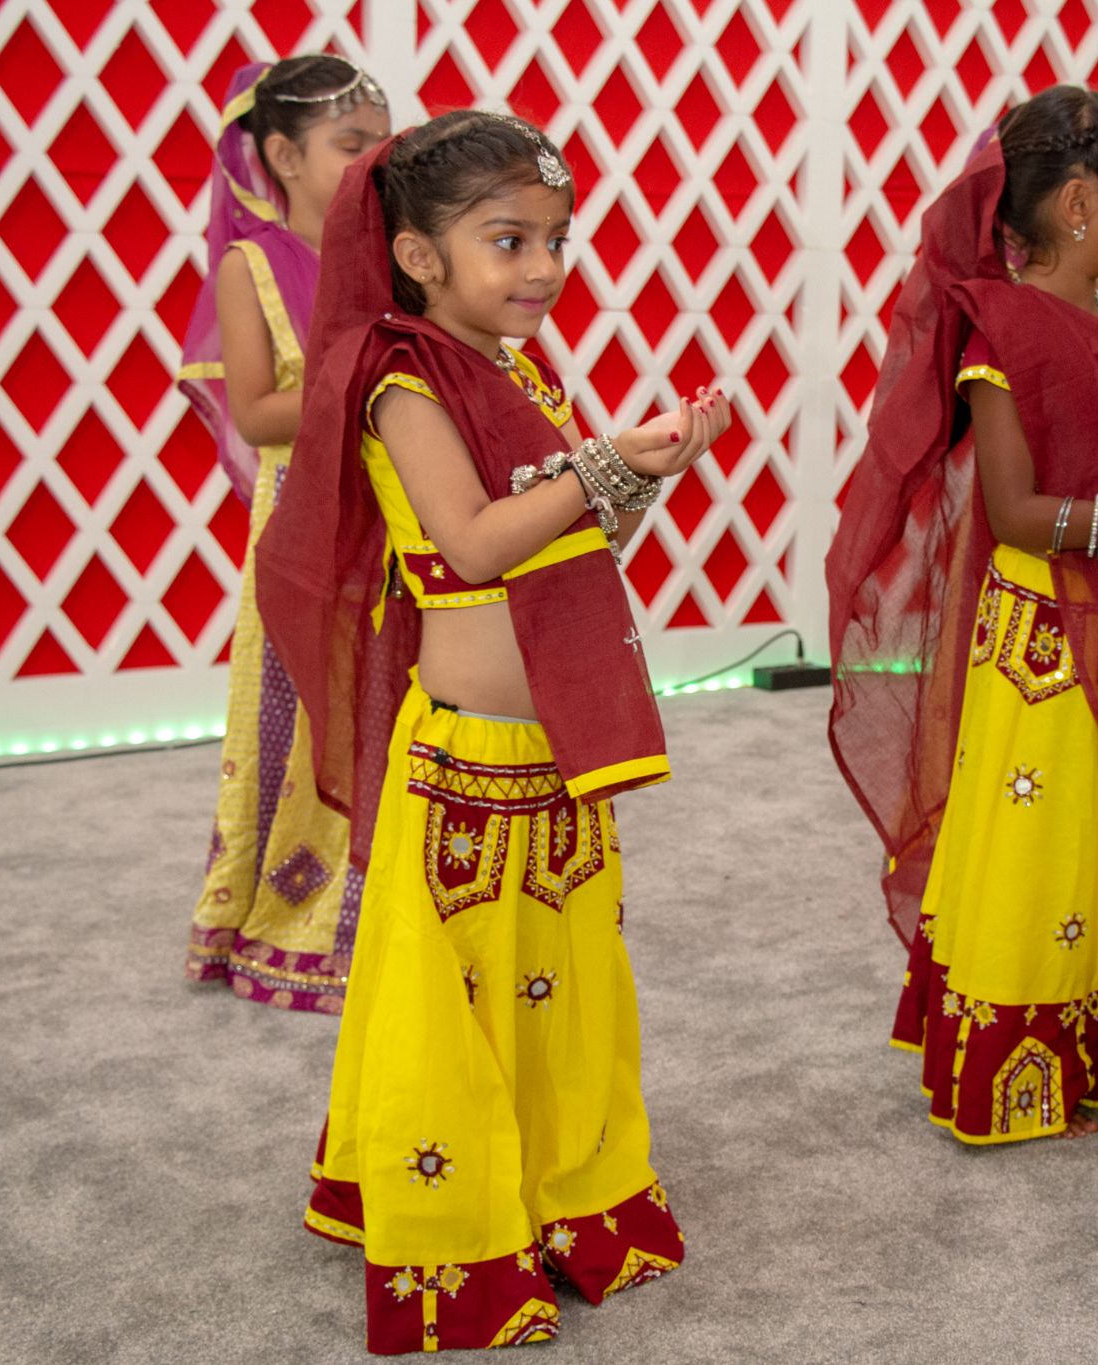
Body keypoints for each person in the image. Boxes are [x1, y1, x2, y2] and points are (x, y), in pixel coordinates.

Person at [256, 111, 731, 1351]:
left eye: (555, 239)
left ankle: (560, 1198)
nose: (542, 266)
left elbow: (575, 537)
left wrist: (649, 469)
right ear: (418, 256)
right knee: (452, 1000)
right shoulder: (400, 379)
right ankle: (457, 1229)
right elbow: (470, 545)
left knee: (560, 987)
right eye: (508, 240)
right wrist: (606, 464)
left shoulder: (522, 375)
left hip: (553, 745)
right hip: (465, 755)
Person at [827, 86, 1098, 1147]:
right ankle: (1020, 1054)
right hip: (1044, 643)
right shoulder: (1005, 333)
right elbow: (1018, 513)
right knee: (1041, 837)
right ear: (1078, 204)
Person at [177, 56, 390, 1011]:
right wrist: (363, 382)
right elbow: (258, 411)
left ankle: (394, 913)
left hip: (396, 505)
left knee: (390, 697)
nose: (373, 159)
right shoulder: (251, 265)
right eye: (351, 144)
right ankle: (297, 923)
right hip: (305, 516)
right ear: (282, 156)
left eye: (383, 142)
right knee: (305, 706)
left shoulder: (398, 257)